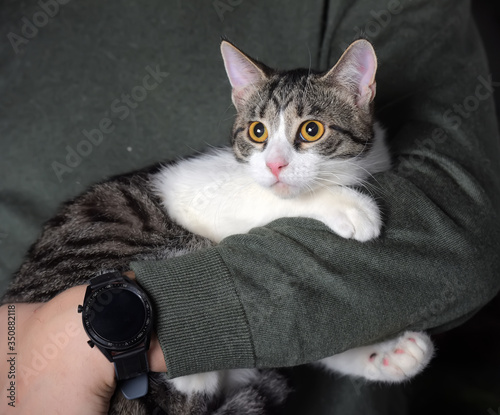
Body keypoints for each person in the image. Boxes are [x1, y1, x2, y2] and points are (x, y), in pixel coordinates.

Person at [1, 0, 500, 413]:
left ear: (359, 91)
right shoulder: (235, 186)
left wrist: (84, 331)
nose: (276, 162)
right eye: (258, 133)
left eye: (309, 131)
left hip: (94, 336)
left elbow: (463, 235)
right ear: (242, 100)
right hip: (38, 326)